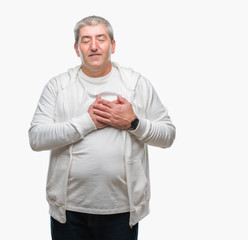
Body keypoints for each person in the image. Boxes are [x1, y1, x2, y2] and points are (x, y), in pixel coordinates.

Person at [28, 15, 176, 240]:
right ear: (77, 48)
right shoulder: (58, 86)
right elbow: (36, 139)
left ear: (113, 45)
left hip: (121, 210)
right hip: (68, 211)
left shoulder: (136, 84)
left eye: (101, 39)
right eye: (86, 40)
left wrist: (133, 123)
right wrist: (87, 123)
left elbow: (168, 135)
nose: (94, 46)